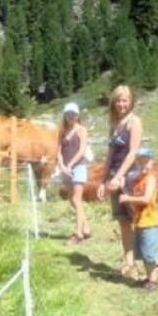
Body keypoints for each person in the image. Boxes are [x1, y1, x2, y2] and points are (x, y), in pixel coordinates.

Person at [96, 85, 142, 276]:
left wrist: (118, 176)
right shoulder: (114, 124)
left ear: (130, 102)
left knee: (140, 219)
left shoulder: (134, 122)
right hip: (115, 177)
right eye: (118, 100)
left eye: (125, 100)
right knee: (123, 221)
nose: (121, 104)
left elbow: (132, 153)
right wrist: (103, 180)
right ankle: (129, 261)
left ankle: (152, 262)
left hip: (130, 176)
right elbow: (110, 155)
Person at [119, 147, 158, 292]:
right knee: (144, 253)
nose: (142, 165)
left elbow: (146, 199)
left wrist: (127, 198)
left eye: (146, 161)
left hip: (150, 222)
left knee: (150, 254)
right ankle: (149, 277)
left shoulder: (150, 179)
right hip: (139, 221)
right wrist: (124, 189)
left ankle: (153, 280)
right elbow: (134, 197)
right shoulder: (138, 179)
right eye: (140, 161)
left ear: (151, 162)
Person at [57, 102, 91, 245]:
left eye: (73, 114)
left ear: (77, 115)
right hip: (66, 169)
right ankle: (86, 227)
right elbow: (59, 150)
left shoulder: (81, 130)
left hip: (78, 167)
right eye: (68, 114)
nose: (71, 116)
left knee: (77, 199)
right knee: (72, 199)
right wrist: (62, 165)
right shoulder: (62, 131)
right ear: (64, 115)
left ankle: (78, 233)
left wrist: (70, 165)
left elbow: (82, 150)